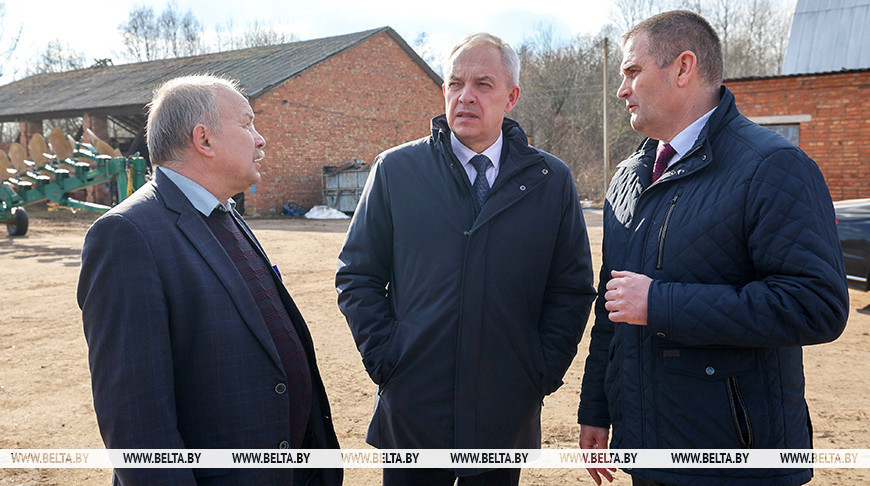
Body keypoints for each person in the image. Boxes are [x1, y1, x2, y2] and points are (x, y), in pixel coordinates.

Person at [577, 10, 849, 486]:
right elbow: (614, 306)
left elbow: (816, 306)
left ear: (684, 68)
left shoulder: (773, 167)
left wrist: (661, 303)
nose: (622, 90)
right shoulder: (627, 177)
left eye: (632, 72)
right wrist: (597, 407)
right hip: (647, 453)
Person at [335, 32, 596, 486]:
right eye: (455, 84)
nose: (466, 96)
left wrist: (539, 371)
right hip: (414, 410)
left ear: (511, 96)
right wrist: (388, 358)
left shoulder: (550, 180)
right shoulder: (396, 171)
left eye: (483, 84)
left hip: (504, 410)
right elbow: (357, 275)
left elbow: (570, 290)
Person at [78, 74, 342, 486]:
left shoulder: (224, 214)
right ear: (204, 140)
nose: (260, 139)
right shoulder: (127, 235)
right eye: (247, 123)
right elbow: (138, 426)